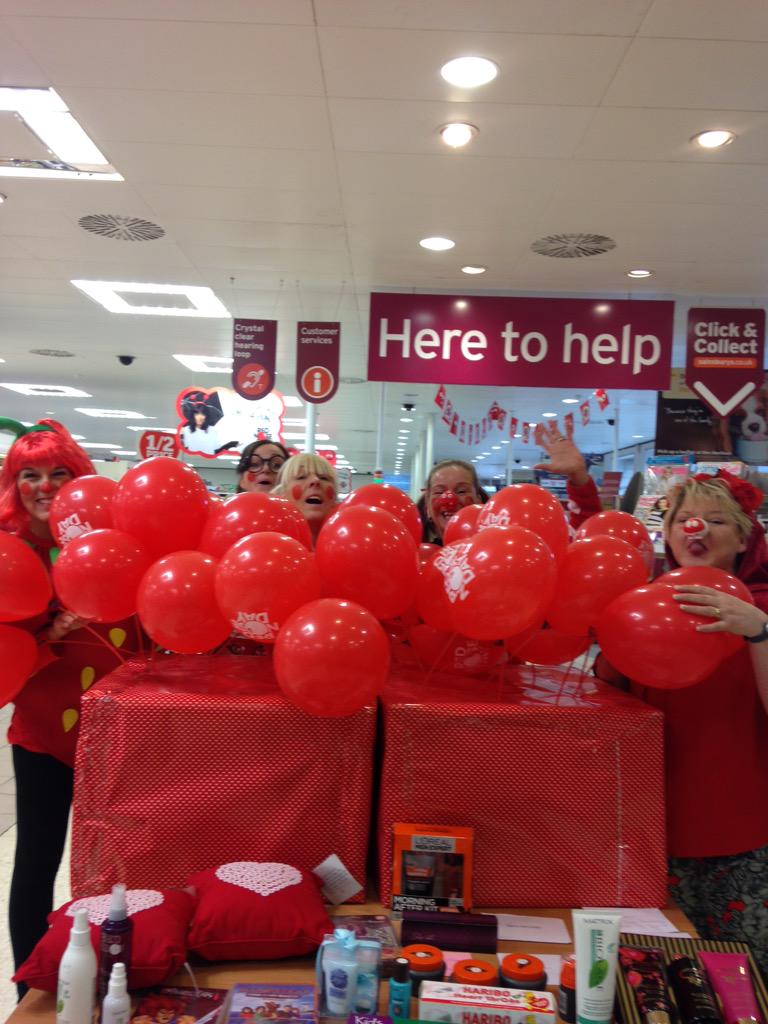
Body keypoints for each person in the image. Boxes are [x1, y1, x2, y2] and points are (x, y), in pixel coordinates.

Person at [593, 468, 768, 970]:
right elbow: (609, 708)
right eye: (684, 520)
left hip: (740, 837)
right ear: (667, 534)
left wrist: (758, 631)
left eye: (716, 520)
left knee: (740, 980)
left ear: (743, 537)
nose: (697, 530)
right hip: (651, 832)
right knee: (655, 981)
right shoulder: (650, 606)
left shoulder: (762, 611)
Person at [0, 418, 140, 996]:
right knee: (38, 855)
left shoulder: (111, 538)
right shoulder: (9, 554)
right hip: (42, 731)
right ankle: (32, 983)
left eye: (59, 473)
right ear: (14, 485)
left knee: (120, 858)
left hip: (119, 725)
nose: (44, 486)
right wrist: (48, 634)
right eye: (29, 474)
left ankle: (122, 969)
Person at [272, 453, 338, 545]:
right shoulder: (271, 545)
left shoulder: (348, 545)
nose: (315, 481)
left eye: (324, 478)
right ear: (282, 494)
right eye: (301, 477)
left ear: (334, 497)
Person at [419, 460, 489, 543]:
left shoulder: (492, 549)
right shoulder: (420, 554)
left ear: (478, 501)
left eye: (461, 491)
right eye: (439, 492)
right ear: (427, 507)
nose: (450, 501)